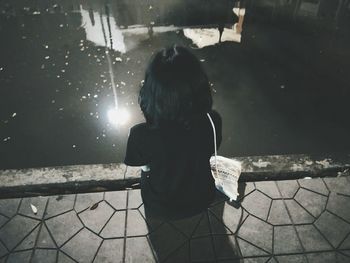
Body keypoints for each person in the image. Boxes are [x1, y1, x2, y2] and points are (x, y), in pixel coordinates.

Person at [124, 45, 222, 221]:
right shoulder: (212, 120)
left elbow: (144, 167)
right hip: (203, 198)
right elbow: (211, 151)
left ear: (152, 93)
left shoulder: (141, 135)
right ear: (200, 86)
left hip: (161, 206)